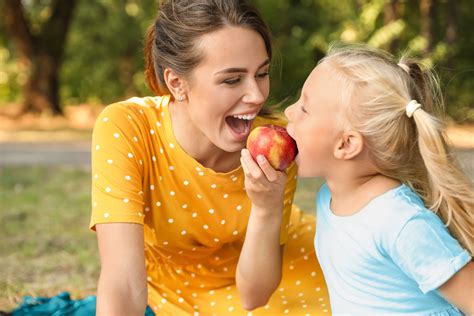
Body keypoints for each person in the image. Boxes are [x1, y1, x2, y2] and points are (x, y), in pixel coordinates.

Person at [90, 0, 330, 315]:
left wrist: (267, 209)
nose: (257, 95)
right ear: (176, 83)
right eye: (232, 80)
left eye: (262, 73)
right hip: (173, 289)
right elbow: (122, 281)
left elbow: (255, 296)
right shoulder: (128, 127)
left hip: (275, 274)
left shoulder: (277, 145)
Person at [285, 43, 474, 315]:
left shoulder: (398, 219)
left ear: (347, 144)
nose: (290, 111)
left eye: (304, 108)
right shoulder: (329, 198)